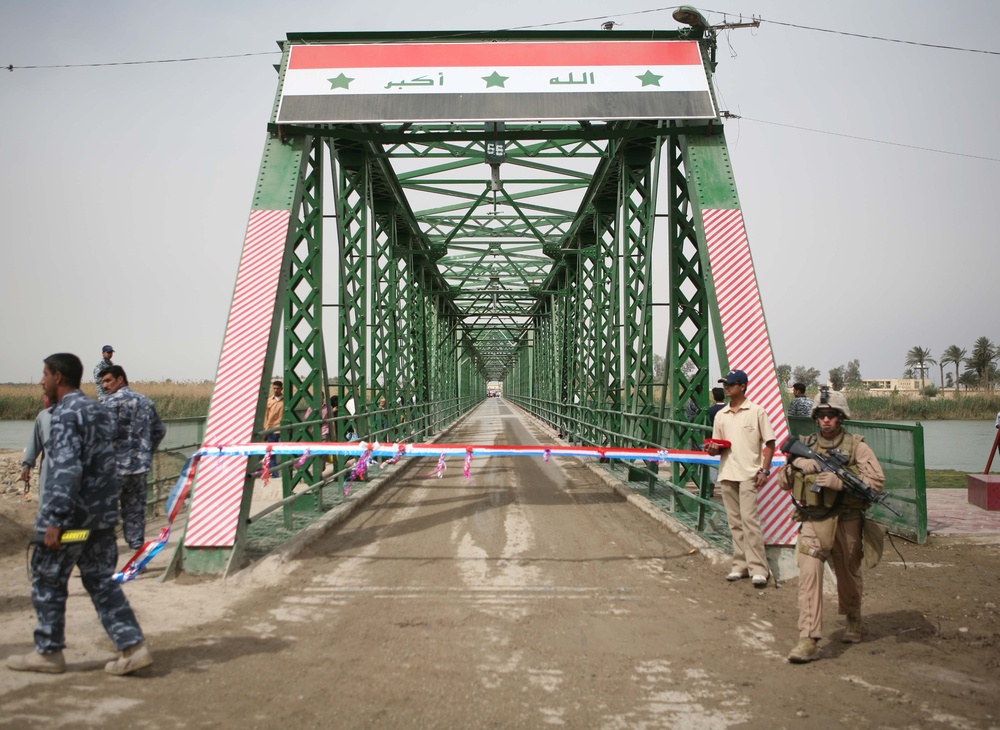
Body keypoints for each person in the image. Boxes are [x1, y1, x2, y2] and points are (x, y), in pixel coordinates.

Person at [7, 353, 151, 676]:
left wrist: (55, 520)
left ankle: (48, 651)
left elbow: (66, 469)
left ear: (58, 377)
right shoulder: (99, 411)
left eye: (44, 374)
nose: (42, 380)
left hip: (71, 520)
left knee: (46, 577)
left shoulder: (63, 415)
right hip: (100, 519)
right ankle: (133, 646)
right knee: (101, 581)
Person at [778, 388, 885, 664]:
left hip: (847, 519)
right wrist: (797, 465)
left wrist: (840, 482)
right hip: (813, 519)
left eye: (831, 415)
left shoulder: (857, 447)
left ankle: (852, 615)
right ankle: (809, 638)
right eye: (822, 415)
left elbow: (875, 482)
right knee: (809, 574)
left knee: (848, 570)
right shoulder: (806, 443)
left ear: (841, 417)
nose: (826, 420)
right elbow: (783, 482)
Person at [705, 369, 776, 588]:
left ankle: (758, 568)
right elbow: (714, 448)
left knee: (749, 521)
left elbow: (770, 443)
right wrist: (713, 448)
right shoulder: (721, 415)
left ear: (743, 386)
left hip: (748, 474)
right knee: (735, 523)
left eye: (732, 384)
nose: (727, 388)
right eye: (725, 384)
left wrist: (764, 470)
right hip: (727, 473)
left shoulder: (756, 412)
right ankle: (740, 566)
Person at [99, 365, 167, 550]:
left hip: (114, 469)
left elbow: (107, 434)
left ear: (120, 379)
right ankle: (136, 551)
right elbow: (160, 430)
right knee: (135, 512)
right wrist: (146, 452)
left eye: (108, 380)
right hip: (139, 468)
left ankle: (106, 556)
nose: (104, 386)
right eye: (103, 382)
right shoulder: (145, 401)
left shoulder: (110, 403)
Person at [21, 396, 54, 501]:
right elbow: (34, 442)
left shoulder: (77, 414)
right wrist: (26, 465)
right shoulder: (43, 416)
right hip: (48, 474)